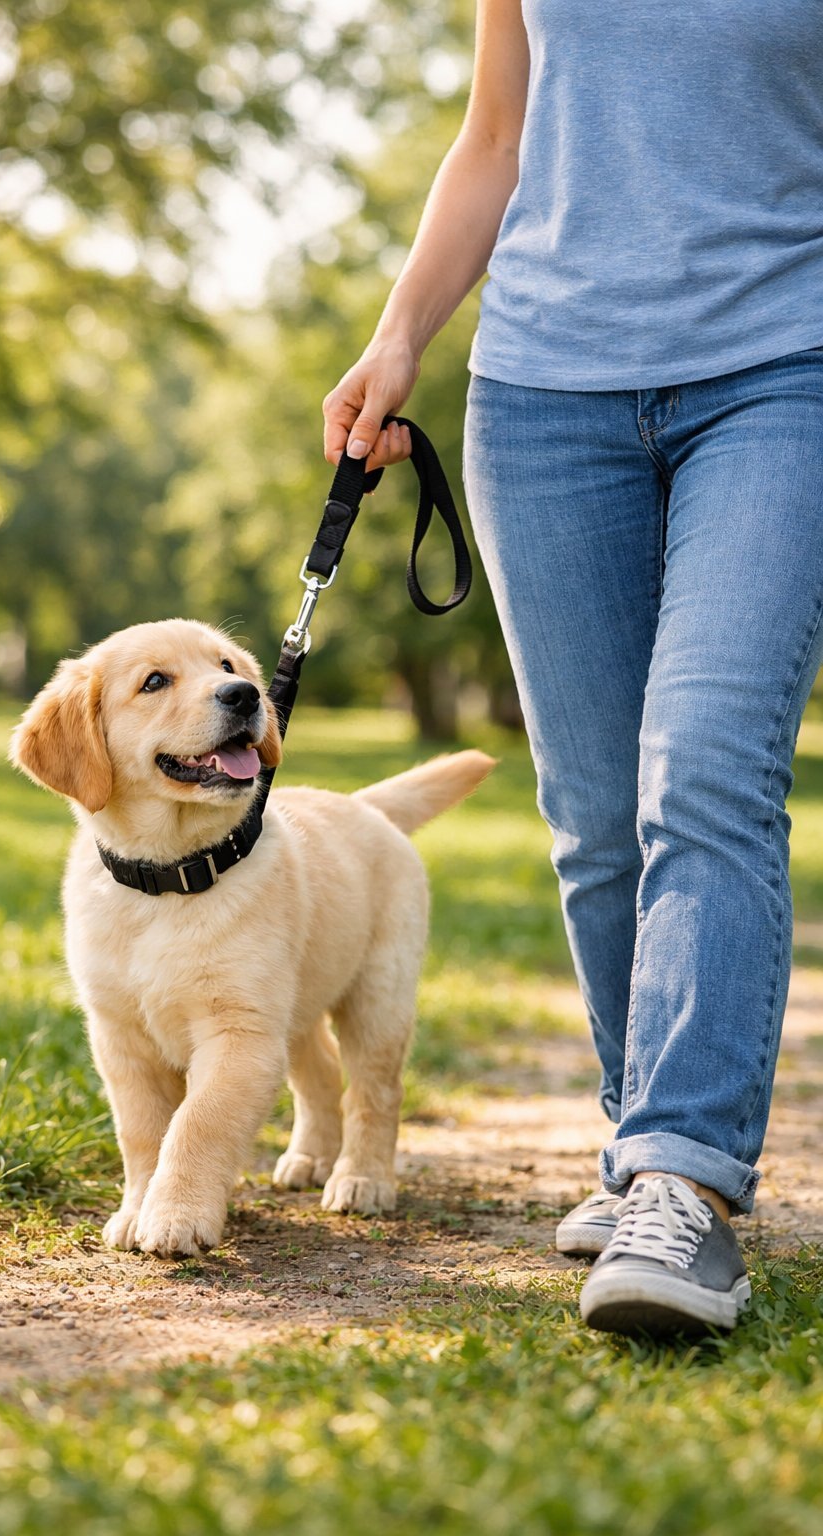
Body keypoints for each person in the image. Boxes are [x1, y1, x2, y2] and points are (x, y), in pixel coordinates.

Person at [323, 0, 823, 1337]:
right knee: (597, 815)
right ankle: (641, 1135)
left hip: (784, 369)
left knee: (708, 761)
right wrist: (400, 329)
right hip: (547, 391)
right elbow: (497, 134)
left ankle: (684, 1180)